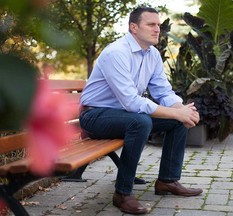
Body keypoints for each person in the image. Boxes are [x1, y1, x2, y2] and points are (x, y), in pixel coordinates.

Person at [79, 6, 203, 215]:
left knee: (177, 121)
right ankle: (122, 194)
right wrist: (176, 112)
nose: (157, 29)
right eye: (151, 25)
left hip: (124, 116)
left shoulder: (152, 55)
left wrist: (183, 111)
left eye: (158, 25)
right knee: (141, 121)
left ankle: (167, 181)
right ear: (133, 28)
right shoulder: (116, 53)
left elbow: (163, 91)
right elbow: (131, 102)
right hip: (95, 117)